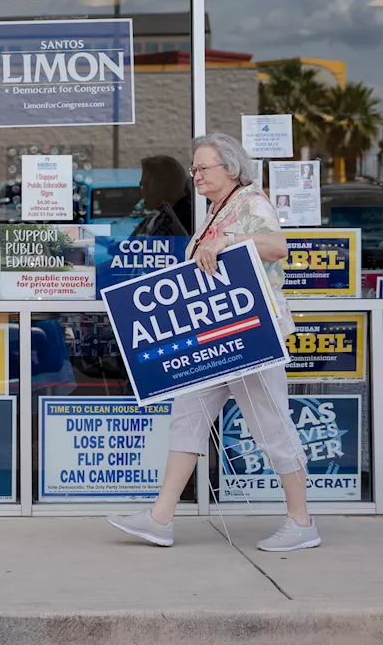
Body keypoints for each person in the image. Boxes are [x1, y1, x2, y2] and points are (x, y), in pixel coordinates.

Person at [108, 132, 321, 552]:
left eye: (203, 167)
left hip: (253, 337)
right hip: (216, 338)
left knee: (271, 426)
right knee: (187, 417)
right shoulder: (214, 210)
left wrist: (228, 240)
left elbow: (277, 246)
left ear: (231, 167)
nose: (196, 175)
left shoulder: (251, 202)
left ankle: (302, 522)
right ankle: (159, 518)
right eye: (194, 168)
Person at [130, 154, 192, 237]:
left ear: (162, 185)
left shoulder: (177, 219)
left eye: (145, 184)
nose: (142, 189)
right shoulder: (158, 216)